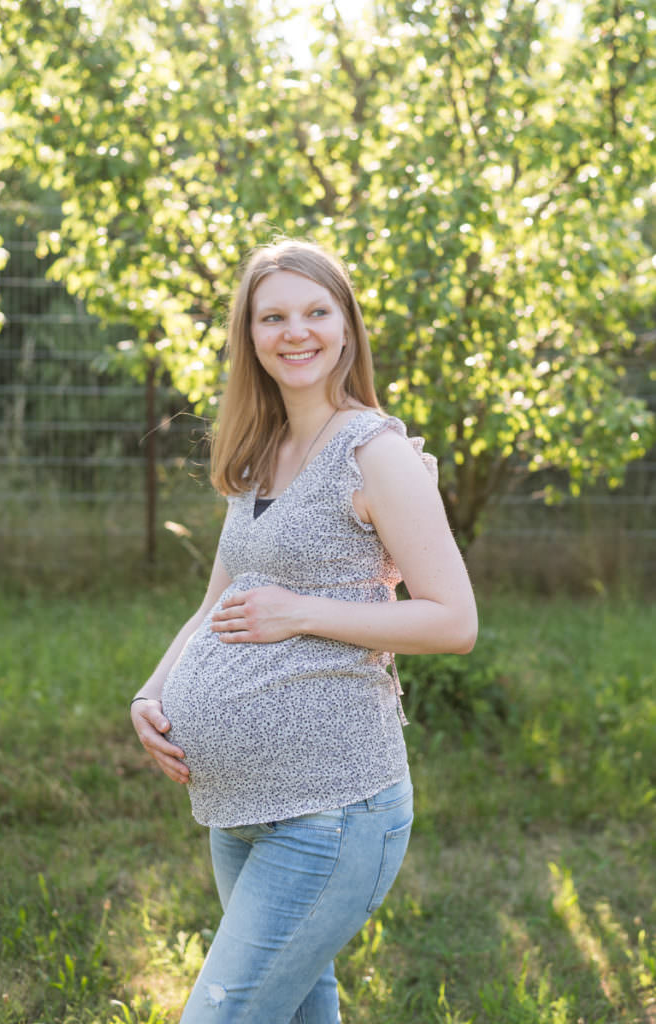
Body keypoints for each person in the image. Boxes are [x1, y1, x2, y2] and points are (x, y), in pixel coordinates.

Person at [130, 238, 478, 1023]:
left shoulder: (375, 452)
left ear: (347, 328)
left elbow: (456, 621)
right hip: (240, 807)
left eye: (316, 312)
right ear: (249, 336)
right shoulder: (257, 454)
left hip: (333, 808)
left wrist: (303, 612)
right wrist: (152, 694)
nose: (297, 331)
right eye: (274, 316)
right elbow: (214, 604)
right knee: (294, 1011)